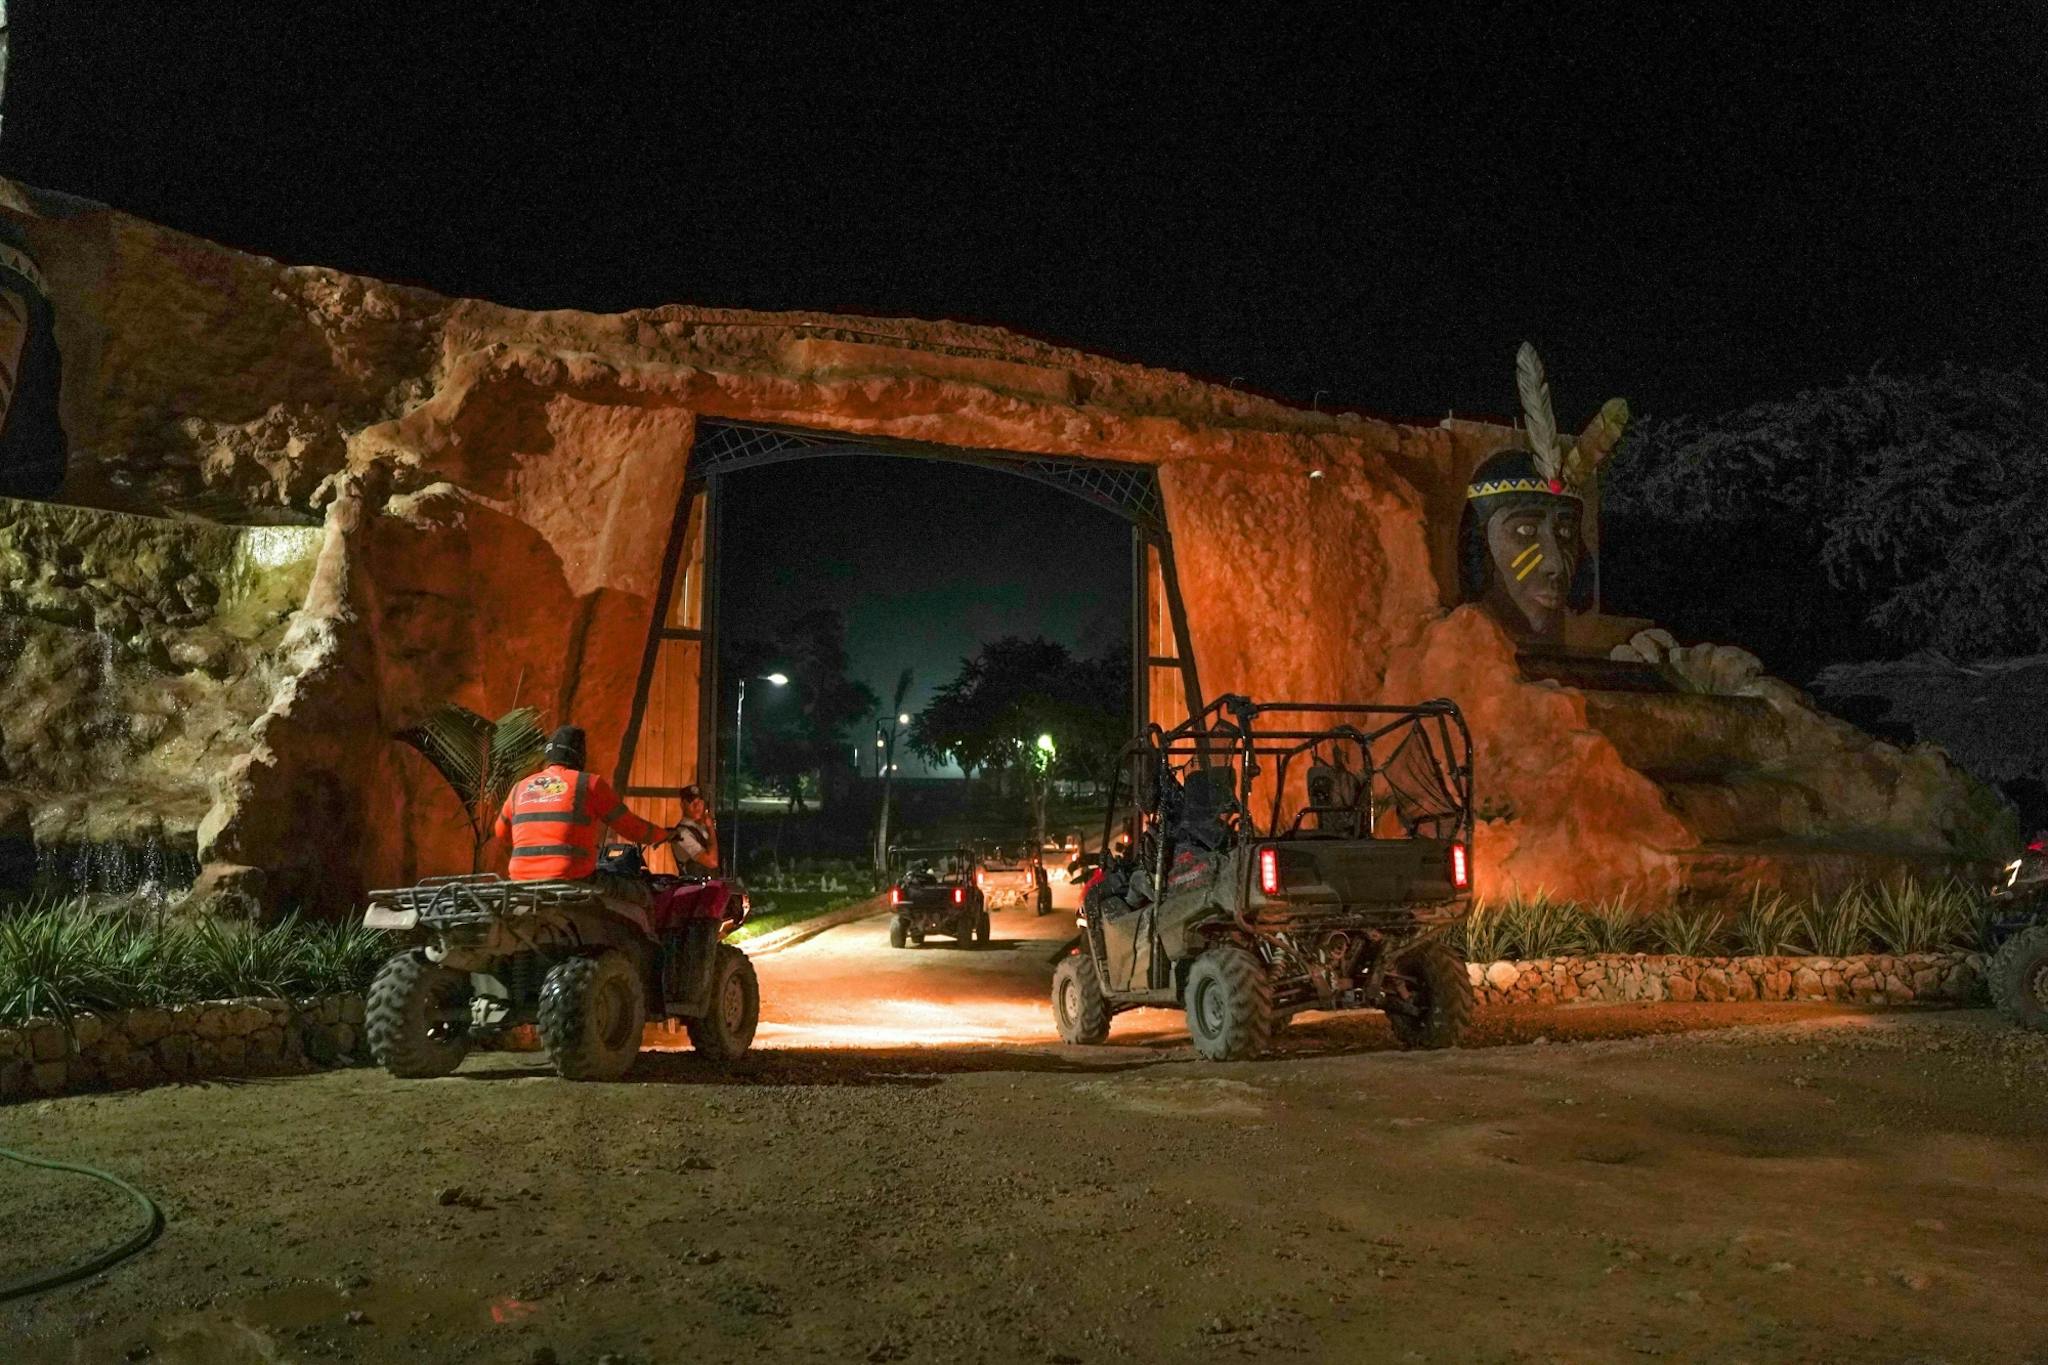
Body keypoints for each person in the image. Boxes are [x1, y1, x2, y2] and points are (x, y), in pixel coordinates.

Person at [494, 725, 668, 902]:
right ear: (579, 755)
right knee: (642, 893)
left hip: (521, 883)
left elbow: (501, 833)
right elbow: (632, 829)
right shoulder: (588, 784)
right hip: (574, 881)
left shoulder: (519, 788)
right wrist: (663, 835)